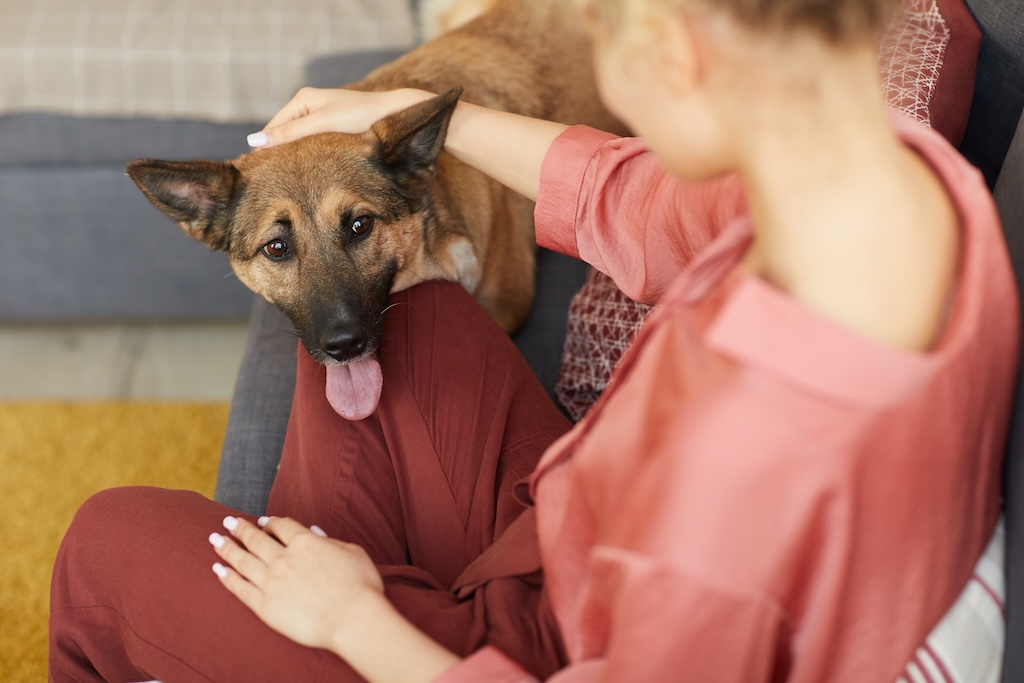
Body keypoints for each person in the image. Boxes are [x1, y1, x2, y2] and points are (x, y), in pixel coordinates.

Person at [49, 0, 1017, 680]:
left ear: (673, 56)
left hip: (537, 644)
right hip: (567, 532)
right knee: (412, 305)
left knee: (101, 543)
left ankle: (300, 628)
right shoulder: (893, 177)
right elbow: (627, 198)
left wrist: (353, 619)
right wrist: (413, 114)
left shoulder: (734, 476)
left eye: (602, 30)